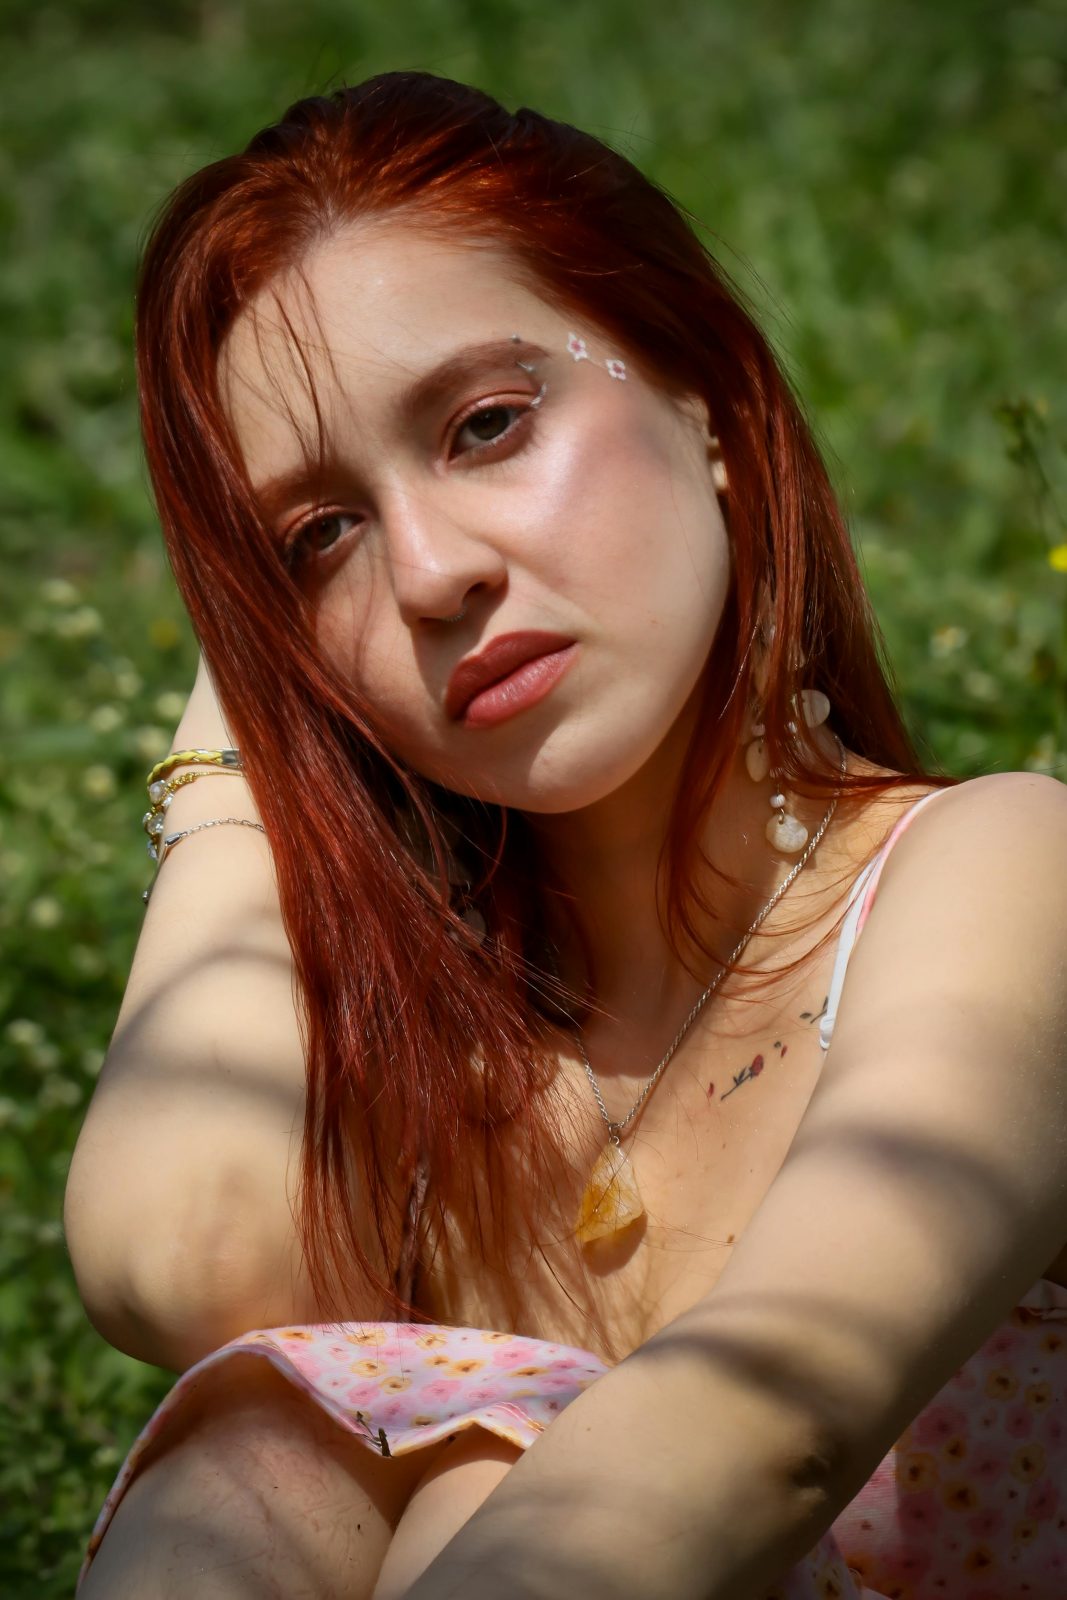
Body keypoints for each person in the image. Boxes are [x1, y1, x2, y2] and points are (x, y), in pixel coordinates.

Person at [64, 70, 1067, 1600]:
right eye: (316, 537)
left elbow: (763, 1424)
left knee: (500, 1465)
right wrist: (240, 742)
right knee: (264, 1444)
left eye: (485, 425)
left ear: (704, 405)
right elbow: (179, 1256)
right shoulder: (437, 1069)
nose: (427, 574)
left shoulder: (996, 873)